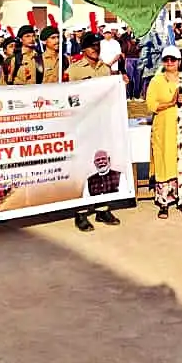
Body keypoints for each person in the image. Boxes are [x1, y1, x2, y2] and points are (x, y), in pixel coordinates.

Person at [67, 32, 122, 231]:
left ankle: (102, 209)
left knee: (102, 166)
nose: (95, 49)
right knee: (82, 168)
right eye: (91, 46)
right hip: (82, 123)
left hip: (101, 123)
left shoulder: (105, 69)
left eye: (97, 45)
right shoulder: (74, 69)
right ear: (83, 49)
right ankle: (80, 212)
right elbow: (68, 96)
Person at [146, 46, 182, 219]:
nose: (170, 63)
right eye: (166, 59)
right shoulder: (156, 81)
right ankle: (163, 202)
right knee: (165, 162)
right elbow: (151, 104)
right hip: (165, 129)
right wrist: (170, 103)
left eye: (173, 59)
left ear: (179, 61)